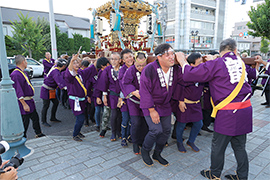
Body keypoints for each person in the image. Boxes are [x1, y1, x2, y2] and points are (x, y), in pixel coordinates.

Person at [176, 38, 252, 180]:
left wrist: (181, 60)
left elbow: (189, 74)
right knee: (240, 146)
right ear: (235, 51)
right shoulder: (240, 61)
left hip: (228, 112)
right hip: (245, 109)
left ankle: (215, 174)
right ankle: (242, 176)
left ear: (220, 51)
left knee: (218, 146)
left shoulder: (216, 63)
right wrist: (213, 60)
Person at [139, 43, 182, 167]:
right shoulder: (149, 69)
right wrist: (152, 110)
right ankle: (145, 150)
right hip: (150, 104)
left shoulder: (175, 68)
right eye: (167, 54)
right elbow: (144, 90)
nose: (171, 57)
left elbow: (185, 80)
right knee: (155, 130)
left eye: (172, 54)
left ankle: (157, 153)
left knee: (166, 131)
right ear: (159, 57)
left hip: (165, 104)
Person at [10, 55, 45, 138]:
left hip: (30, 100)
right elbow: (18, 90)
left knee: (35, 118)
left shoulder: (23, 72)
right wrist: (24, 104)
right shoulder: (15, 74)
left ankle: (38, 133)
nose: (26, 63)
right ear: (23, 62)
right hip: (24, 101)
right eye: (26, 61)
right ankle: (23, 137)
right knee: (25, 121)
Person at [64, 54, 97, 141]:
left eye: (78, 63)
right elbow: (70, 72)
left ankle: (78, 132)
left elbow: (89, 70)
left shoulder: (80, 73)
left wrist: (97, 61)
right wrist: (71, 61)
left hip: (82, 99)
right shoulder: (68, 75)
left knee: (81, 117)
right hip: (75, 100)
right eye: (74, 63)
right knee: (80, 118)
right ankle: (75, 134)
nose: (77, 65)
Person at [176, 53, 204, 153]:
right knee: (181, 125)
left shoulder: (202, 73)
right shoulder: (185, 74)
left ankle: (191, 141)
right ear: (191, 65)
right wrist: (180, 101)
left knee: (199, 124)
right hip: (185, 103)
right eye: (199, 62)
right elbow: (179, 88)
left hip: (196, 104)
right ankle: (179, 142)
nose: (202, 64)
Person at [122, 51, 148, 154]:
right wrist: (133, 91)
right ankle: (135, 143)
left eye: (143, 65)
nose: (140, 68)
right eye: (138, 65)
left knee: (145, 122)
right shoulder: (130, 70)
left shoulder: (149, 69)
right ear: (134, 62)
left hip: (146, 101)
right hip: (134, 101)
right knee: (136, 122)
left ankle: (143, 141)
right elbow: (125, 82)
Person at [96, 52, 122, 141]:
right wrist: (104, 96)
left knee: (120, 115)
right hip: (113, 95)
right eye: (112, 59)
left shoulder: (123, 69)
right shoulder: (107, 70)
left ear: (120, 60)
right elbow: (104, 83)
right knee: (114, 114)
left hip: (122, 95)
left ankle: (119, 131)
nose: (113, 61)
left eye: (115, 59)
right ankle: (114, 133)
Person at [40, 59, 67, 127]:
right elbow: (59, 81)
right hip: (46, 90)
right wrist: (65, 87)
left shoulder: (55, 68)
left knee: (56, 102)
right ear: (63, 66)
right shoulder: (56, 71)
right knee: (46, 105)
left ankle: (52, 117)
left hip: (51, 90)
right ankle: (43, 121)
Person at [118, 49, 134, 147]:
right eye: (126, 57)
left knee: (133, 119)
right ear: (123, 60)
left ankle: (129, 136)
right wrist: (127, 93)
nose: (129, 59)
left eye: (130, 56)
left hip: (135, 98)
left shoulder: (137, 67)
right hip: (125, 97)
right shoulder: (122, 70)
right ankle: (123, 137)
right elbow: (121, 84)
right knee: (125, 119)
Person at [94, 57, 111, 137]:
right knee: (105, 113)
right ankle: (103, 129)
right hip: (105, 96)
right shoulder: (101, 72)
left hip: (114, 95)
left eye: (102, 67)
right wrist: (98, 96)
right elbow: (98, 85)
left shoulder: (113, 70)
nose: (102, 69)